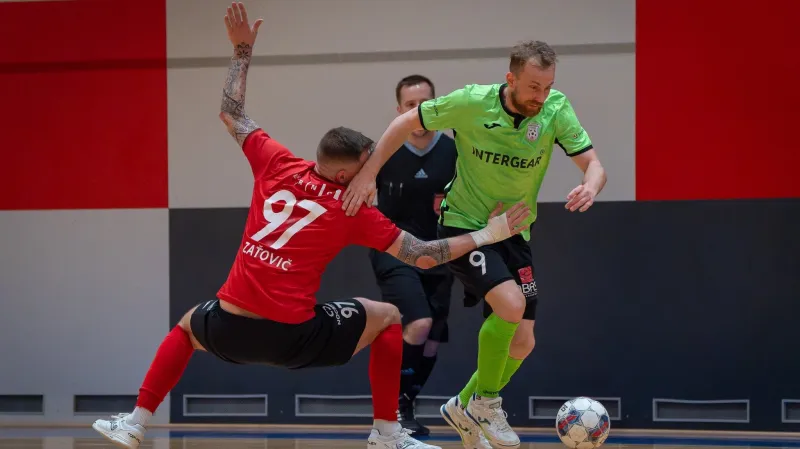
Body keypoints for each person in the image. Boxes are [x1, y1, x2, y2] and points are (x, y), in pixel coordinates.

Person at [89, 3, 531, 449]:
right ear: (345, 176)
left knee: (186, 327)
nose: (369, 176)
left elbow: (231, 112)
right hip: (292, 338)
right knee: (389, 317)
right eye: (366, 169)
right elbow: (421, 253)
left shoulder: (275, 163)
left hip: (230, 327)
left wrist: (242, 50)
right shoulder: (350, 207)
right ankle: (388, 434)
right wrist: (488, 235)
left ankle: (136, 422)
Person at [341, 40, 608, 449]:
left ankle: (462, 404)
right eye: (534, 86)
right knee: (511, 304)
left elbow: (593, 163)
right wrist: (368, 174)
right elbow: (403, 124)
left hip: (515, 232)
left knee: (524, 339)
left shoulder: (555, 108)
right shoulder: (471, 102)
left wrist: (590, 186)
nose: (541, 95)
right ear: (511, 79)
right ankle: (485, 402)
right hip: (464, 227)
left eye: (548, 86)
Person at [368, 75, 458, 435]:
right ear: (399, 110)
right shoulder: (384, 150)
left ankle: (406, 404)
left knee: (433, 335)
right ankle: (395, 408)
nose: (417, 111)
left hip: (440, 251)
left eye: (424, 104)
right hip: (395, 249)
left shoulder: (454, 151)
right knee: (417, 324)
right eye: (410, 105)